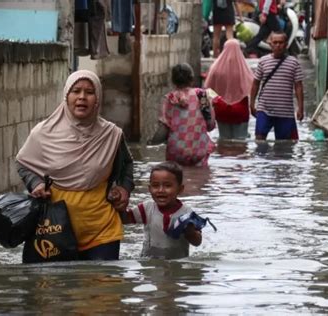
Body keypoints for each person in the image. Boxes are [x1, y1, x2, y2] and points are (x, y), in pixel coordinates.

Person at [15, 69, 135, 261]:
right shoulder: (43, 134)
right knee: (55, 289)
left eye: (89, 92)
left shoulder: (112, 135)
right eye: (76, 91)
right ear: (66, 96)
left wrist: (124, 188)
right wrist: (35, 183)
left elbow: (127, 165)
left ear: (97, 98)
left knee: (104, 288)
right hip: (54, 229)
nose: (82, 97)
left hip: (101, 229)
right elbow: (24, 164)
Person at [121, 161, 203, 259]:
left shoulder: (187, 213)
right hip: (149, 265)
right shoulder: (146, 208)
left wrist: (190, 232)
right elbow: (124, 219)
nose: (160, 190)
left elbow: (197, 242)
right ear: (149, 188)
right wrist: (121, 207)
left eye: (167, 186)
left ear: (180, 189)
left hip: (177, 266)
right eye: (155, 186)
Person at [149, 63, 216, 167]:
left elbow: (164, 130)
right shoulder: (202, 95)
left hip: (175, 151)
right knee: (200, 179)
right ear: (192, 79)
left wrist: (151, 143)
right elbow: (210, 125)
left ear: (173, 80)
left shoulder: (169, 98)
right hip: (199, 150)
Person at [250, 31, 304, 140]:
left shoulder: (293, 63)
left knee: (283, 146)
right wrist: (251, 104)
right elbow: (255, 83)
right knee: (260, 141)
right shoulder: (263, 62)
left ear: (286, 44)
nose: (278, 45)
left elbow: (298, 86)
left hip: (285, 112)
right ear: (270, 44)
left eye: (281, 42)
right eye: (275, 42)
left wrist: (301, 108)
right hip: (264, 109)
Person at [204, 39, 254, 140]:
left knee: (224, 140)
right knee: (241, 141)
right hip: (240, 108)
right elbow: (252, 87)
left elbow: (208, 90)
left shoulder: (215, 68)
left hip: (221, 107)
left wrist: (217, 101)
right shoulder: (243, 68)